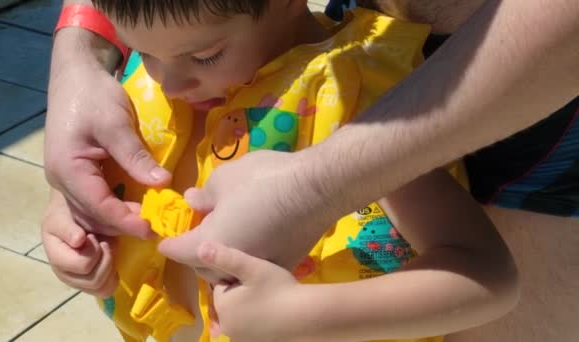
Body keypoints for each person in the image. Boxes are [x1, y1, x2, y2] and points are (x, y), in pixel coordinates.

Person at [43, 0, 578, 340]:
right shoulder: (165, 54)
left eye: (204, 57)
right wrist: (75, 214)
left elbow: (488, 281)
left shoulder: (353, 102)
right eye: (140, 53)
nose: (168, 84)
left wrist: (308, 314)